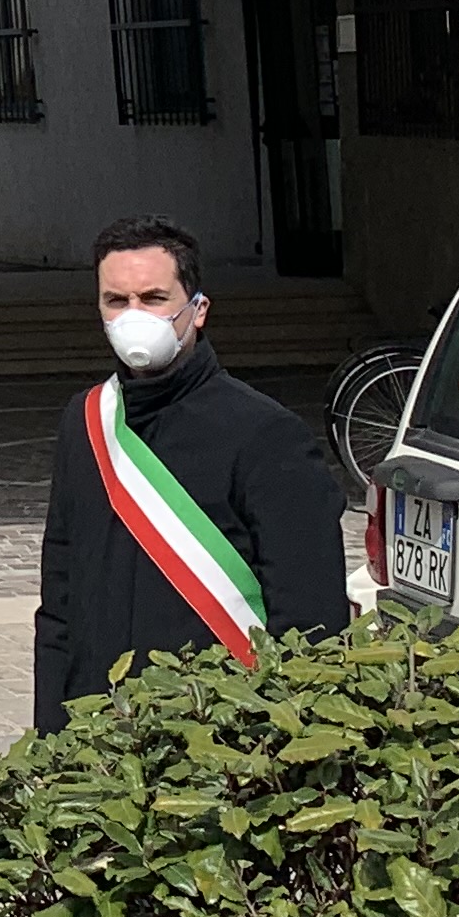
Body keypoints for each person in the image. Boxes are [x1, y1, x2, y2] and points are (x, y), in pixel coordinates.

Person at [30, 216, 349, 729]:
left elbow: (311, 620)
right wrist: (50, 733)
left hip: (215, 736)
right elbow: (60, 601)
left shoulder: (266, 434)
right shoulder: (85, 421)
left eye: (154, 298)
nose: (134, 315)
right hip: (99, 733)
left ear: (197, 310)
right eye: (116, 301)